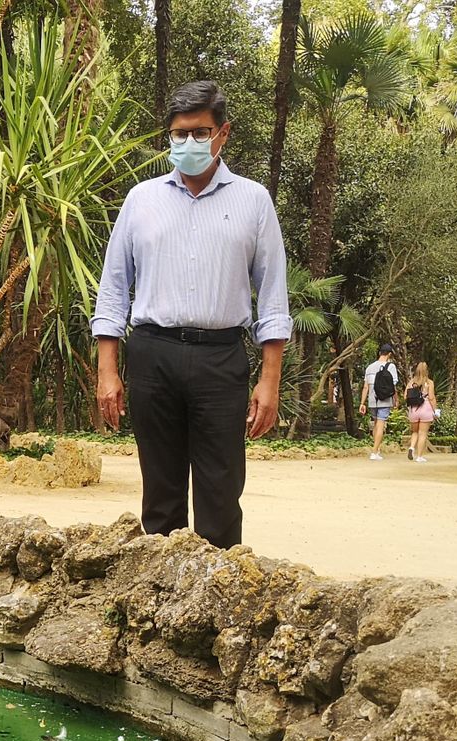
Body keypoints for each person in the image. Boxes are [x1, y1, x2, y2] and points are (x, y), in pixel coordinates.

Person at [92, 80, 291, 549]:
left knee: (221, 495)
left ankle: (218, 608)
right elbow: (114, 288)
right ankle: (161, 606)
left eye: (199, 133)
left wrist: (270, 379)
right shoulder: (141, 200)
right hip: (152, 355)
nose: (187, 144)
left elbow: (274, 295)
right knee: (160, 494)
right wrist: (107, 370)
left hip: (220, 359)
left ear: (224, 133)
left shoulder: (253, 201)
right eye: (178, 135)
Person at [358, 344, 399, 460]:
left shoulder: (370, 367)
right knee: (381, 425)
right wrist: (396, 399)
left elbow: (365, 387)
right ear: (389, 354)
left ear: (380, 353)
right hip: (384, 399)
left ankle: (377, 449)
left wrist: (362, 403)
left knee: (376, 424)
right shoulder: (391, 367)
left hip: (372, 400)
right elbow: (393, 385)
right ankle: (374, 452)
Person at [404, 361, 438, 462]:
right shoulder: (429, 382)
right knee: (422, 433)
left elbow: (405, 396)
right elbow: (431, 398)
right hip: (425, 409)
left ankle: (411, 448)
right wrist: (435, 410)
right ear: (427, 371)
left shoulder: (411, 382)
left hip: (414, 409)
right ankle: (419, 456)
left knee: (414, 432)